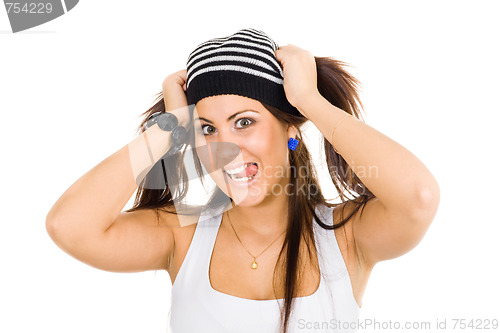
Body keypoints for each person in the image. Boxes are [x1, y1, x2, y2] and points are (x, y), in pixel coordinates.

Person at [46, 28, 440, 333]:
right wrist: (170, 127)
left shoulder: (344, 236)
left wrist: (309, 101)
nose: (225, 148)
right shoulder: (181, 236)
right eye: (208, 129)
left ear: (292, 129)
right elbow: (69, 226)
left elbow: (418, 197)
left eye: (245, 122)